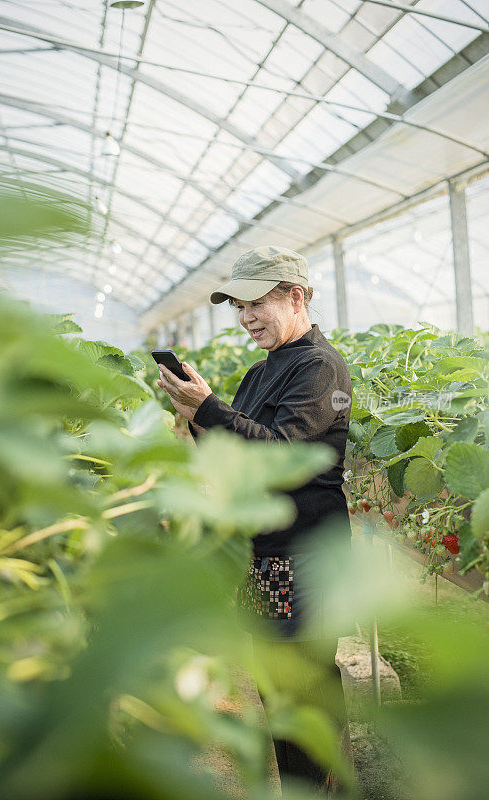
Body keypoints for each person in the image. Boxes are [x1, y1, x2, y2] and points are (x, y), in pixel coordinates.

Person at [156, 245, 353, 795]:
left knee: (301, 679)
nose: (245, 318)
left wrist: (211, 409)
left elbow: (281, 454)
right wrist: (192, 418)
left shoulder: (319, 367)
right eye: (238, 306)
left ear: (295, 296)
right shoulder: (261, 371)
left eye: (255, 303)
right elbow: (232, 454)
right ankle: (315, 775)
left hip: (306, 554)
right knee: (276, 676)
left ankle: (315, 782)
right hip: (266, 554)